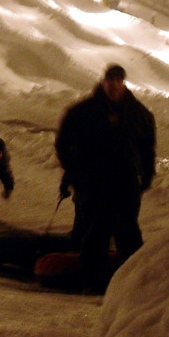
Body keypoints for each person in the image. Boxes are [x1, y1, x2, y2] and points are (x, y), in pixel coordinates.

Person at [55, 64, 156, 292]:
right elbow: (64, 144)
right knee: (94, 233)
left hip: (126, 184)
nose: (113, 86)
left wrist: (146, 176)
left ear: (123, 83)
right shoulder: (83, 112)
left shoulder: (139, 114)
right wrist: (74, 172)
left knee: (128, 233)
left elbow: (147, 149)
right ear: (103, 82)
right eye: (110, 81)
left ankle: (132, 285)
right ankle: (92, 282)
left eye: (118, 81)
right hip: (93, 183)